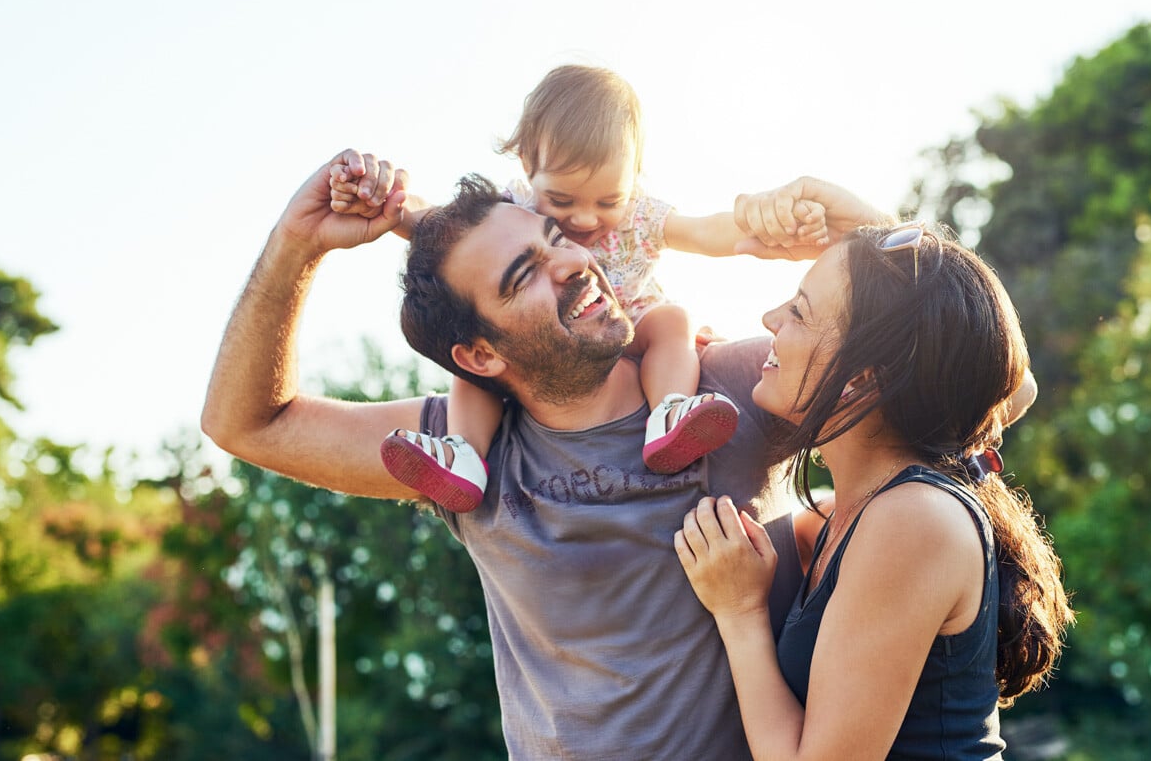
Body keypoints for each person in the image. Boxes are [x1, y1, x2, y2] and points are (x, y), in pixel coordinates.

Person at [202, 148, 830, 759]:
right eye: (524, 274)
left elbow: (912, 344)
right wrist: (297, 241)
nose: (573, 262)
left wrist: (849, 223)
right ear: (479, 357)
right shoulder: (463, 458)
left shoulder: (735, 389)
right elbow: (247, 423)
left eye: (556, 237)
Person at [674, 180, 1072, 760]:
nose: (769, 317)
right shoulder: (862, 510)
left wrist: (740, 612)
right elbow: (999, 378)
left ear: (864, 378)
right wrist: (879, 243)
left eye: (800, 312)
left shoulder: (913, 520)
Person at [328, 64, 828, 512]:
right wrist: (379, 197)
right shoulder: (513, 211)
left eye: (609, 199)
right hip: (550, 342)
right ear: (527, 164)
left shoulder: (639, 216)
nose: (586, 219)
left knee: (673, 321)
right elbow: (430, 220)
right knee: (481, 363)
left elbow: (703, 231)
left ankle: (671, 412)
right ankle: (464, 454)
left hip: (628, 324)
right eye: (562, 199)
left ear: (634, 179)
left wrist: (764, 229)